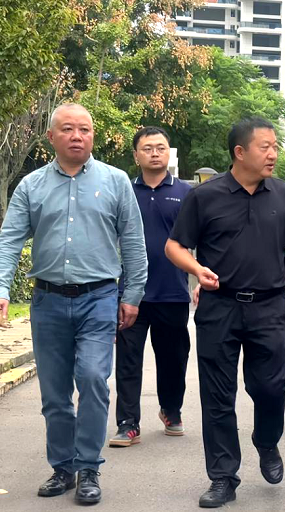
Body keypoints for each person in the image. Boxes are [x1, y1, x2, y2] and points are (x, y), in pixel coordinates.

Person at [0, 103, 147, 505]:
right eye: (68, 129)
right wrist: (0, 289)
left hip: (99, 298)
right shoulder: (31, 186)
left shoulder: (115, 182)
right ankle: (63, 467)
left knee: (93, 379)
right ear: (51, 137)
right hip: (48, 301)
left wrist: (132, 295)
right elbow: (9, 241)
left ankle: (89, 466)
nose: (77, 136)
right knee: (55, 393)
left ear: (93, 135)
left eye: (85, 129)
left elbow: (133, 243)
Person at [164, 116, 285, 509]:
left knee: (271, 387)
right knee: (217, 395)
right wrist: (196, 269)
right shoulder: (205, 196)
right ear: (240, 152)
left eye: (275, 146)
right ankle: (223, 476)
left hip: (269, 306)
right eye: (266, 147)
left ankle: (266, 440)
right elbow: (174, 246)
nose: (273, 153)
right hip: (219, 307)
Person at [110, 127, 192, 447]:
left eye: (160, 147)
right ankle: (128, 423)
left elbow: (200, 239)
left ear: (169, 152)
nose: (155, 153)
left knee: (173, 359)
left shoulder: (186, 193)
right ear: (136, 155)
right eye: (147, 148)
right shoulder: (124, 191)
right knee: (128, 361)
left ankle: (171, 409)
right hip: (130, 294)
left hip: (173, 291)